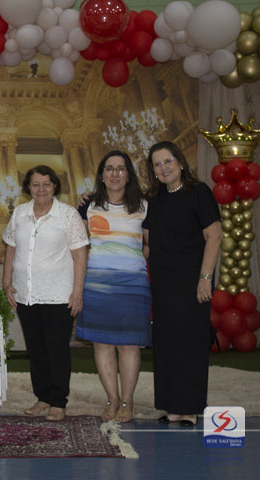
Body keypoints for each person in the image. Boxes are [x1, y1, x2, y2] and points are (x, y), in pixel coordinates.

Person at [143, 141, 222, 427]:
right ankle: (171, 406)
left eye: (168, 161)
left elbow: (214, 236)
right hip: (162, 284)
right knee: (166, 344)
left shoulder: (199, 192)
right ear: (153, 170)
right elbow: (147, 243)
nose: (164, 168)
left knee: (190, 343)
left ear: (179, 161)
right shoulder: (155, 199)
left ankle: (189, 408)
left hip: (192, 281)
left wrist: (205, 278)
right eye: (157, 164)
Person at [2, 165, 88, 422]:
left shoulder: (68, 215)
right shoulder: (20, 213)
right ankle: (42, 397)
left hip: (59, 294)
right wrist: (7, 281)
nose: (41, 189)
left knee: (56, 349)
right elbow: (10, 248)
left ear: (54, 187)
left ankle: (58, 401)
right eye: (36, 184)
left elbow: (80, 255)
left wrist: (77, 292)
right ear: (28, 187)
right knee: (36, 349)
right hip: (26, 294)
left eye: (46, 184)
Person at [75, 151, 151, 423]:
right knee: (102, 344)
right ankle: (112, 399)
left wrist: (130, 263)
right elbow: (78, 246)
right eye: (109, 168)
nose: (115, 174)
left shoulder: (145, 206)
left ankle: (127, 402)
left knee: (129, 345)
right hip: (96, 285)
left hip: (133, 286)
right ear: (102, 175)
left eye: (121, 168)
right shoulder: (87, 205)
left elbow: (149, 245)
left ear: (129, 174)